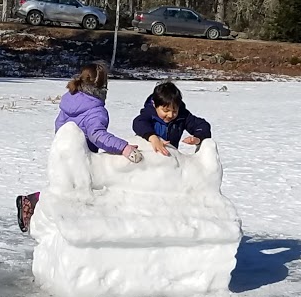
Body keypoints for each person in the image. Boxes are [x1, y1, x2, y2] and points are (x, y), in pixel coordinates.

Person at [16, 62, 140, 232]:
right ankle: (36, 203)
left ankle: (33, 202)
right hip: (82, 158)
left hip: (62, 154)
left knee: (62, 187)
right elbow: (97, 135)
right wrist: (124, 148)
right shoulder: (95, 109)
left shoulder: (70, 99)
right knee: (75, 191)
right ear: (103, 86)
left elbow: (59, 125)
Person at [131, 81, 212, 156]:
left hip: (170, 158)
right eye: (166, 111)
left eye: (174, 111)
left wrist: (198, 138)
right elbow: (138, 122)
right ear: (154, 105)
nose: (170, 115)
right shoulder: (149, 114)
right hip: (148, 157)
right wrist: (152, 137)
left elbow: (202, 125)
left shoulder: (182, 116)